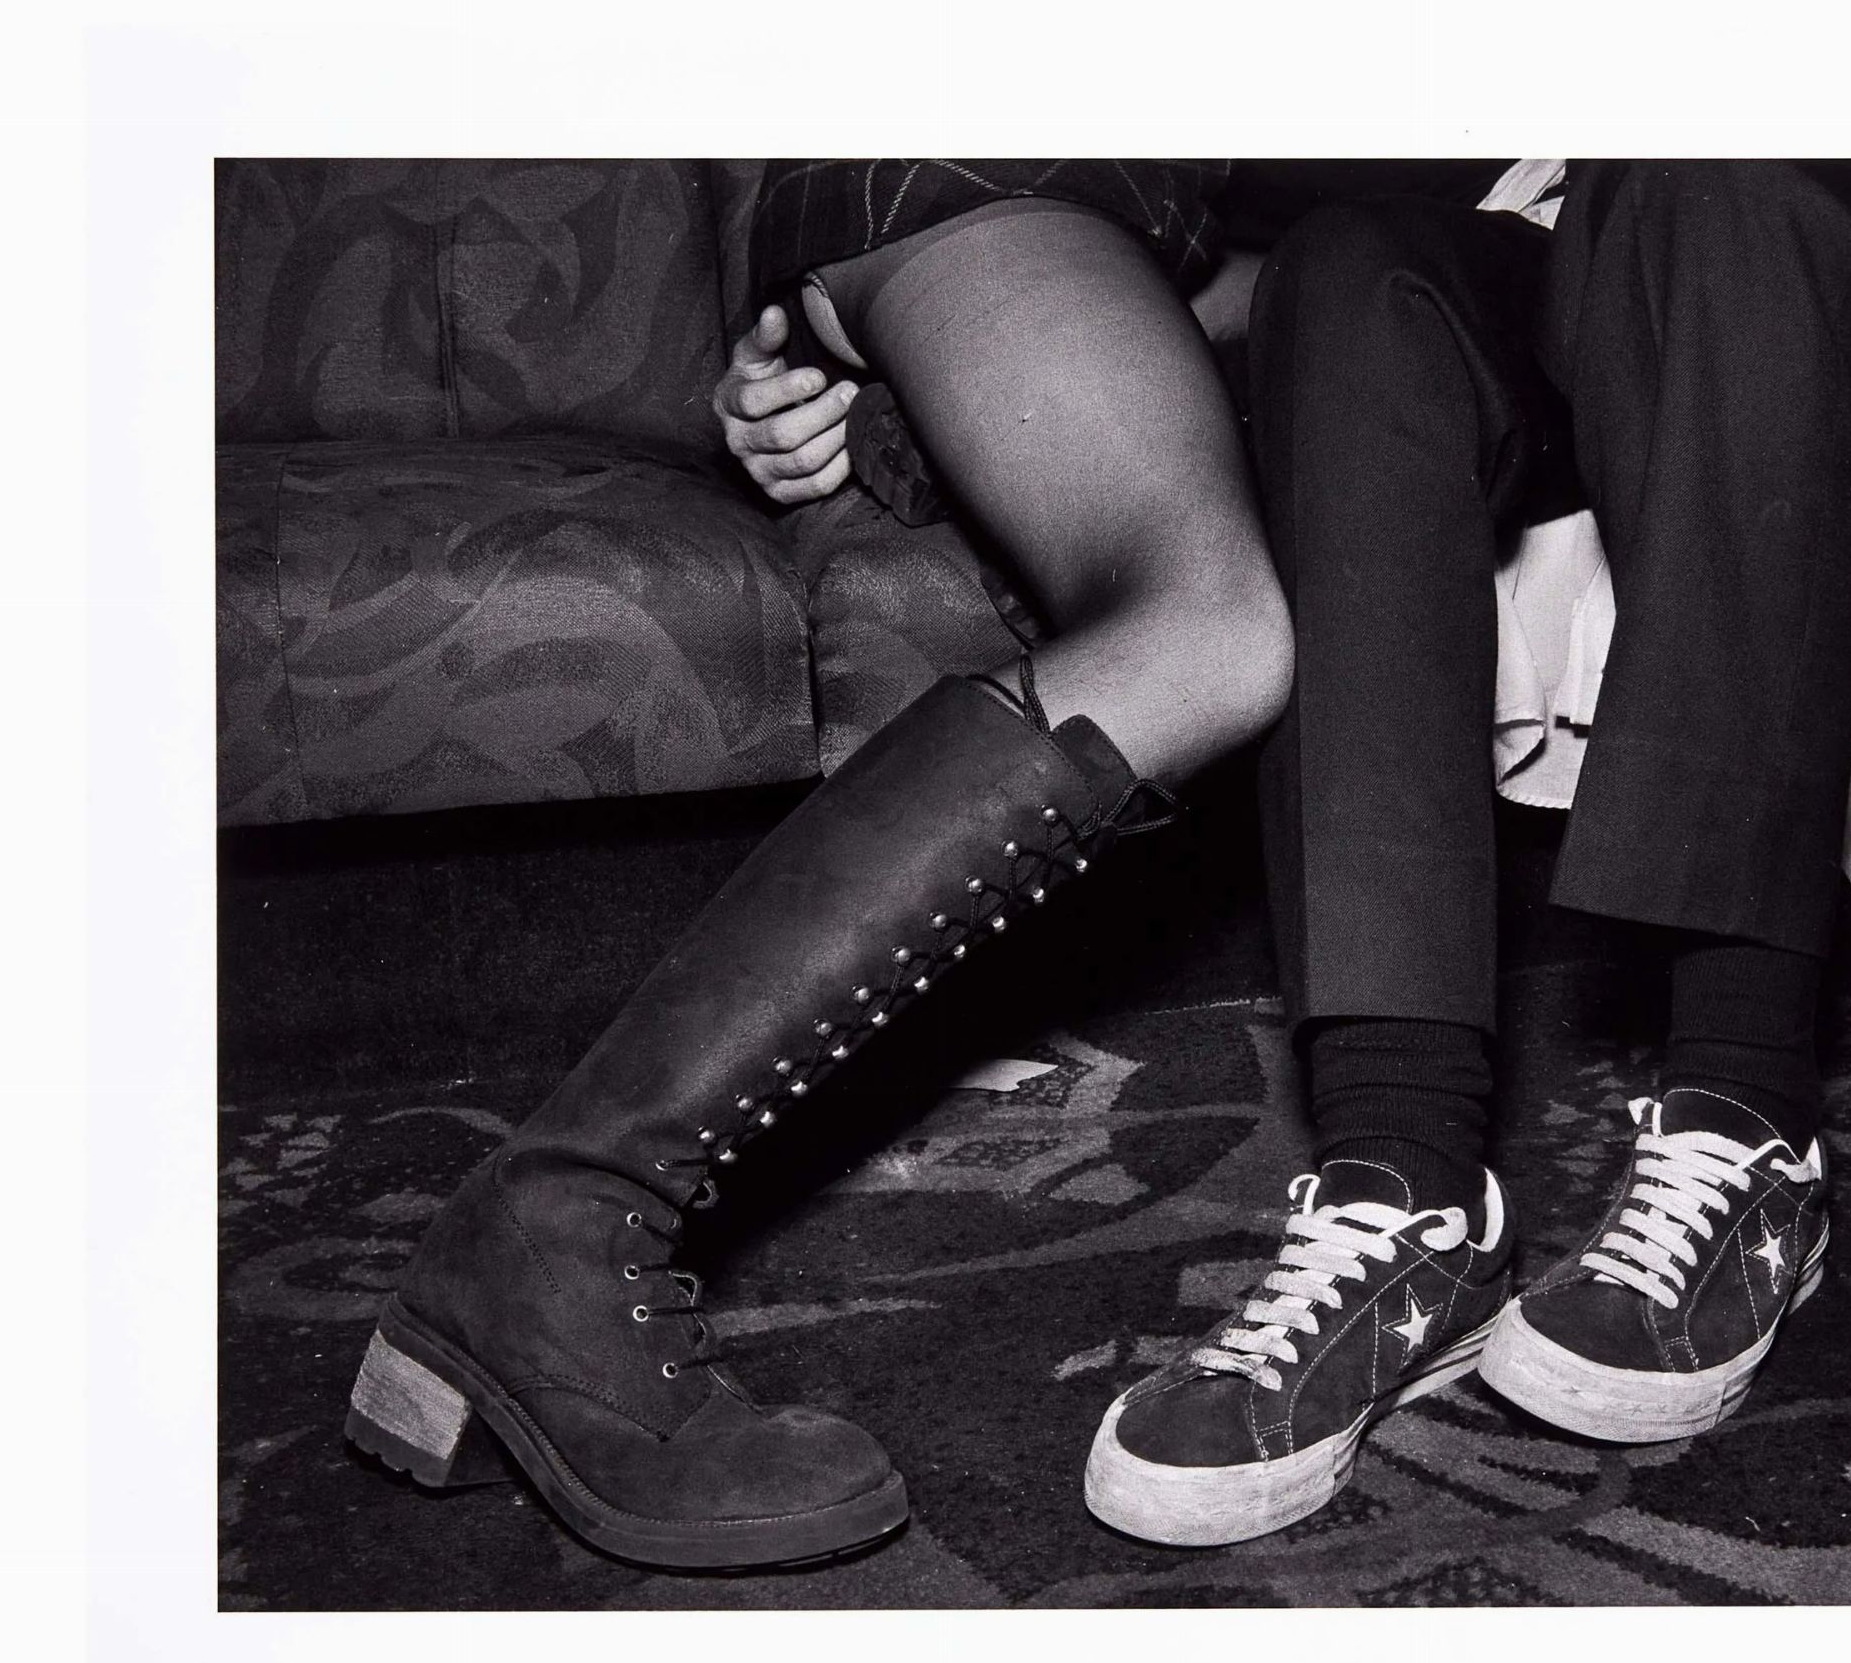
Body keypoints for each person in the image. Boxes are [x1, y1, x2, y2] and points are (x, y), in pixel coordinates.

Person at [344, 164, 1294, 1572]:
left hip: (1119, 229)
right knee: (1208, 632)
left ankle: (531, 1248)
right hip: (1002, 159)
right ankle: (557, 1213)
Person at [1084, 159, 1851, 1548]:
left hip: (1832, 219)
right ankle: (1406, 1196)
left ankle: (1748, 1116)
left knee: (1722, 168)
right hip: (1553, 228)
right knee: (1352, 268)